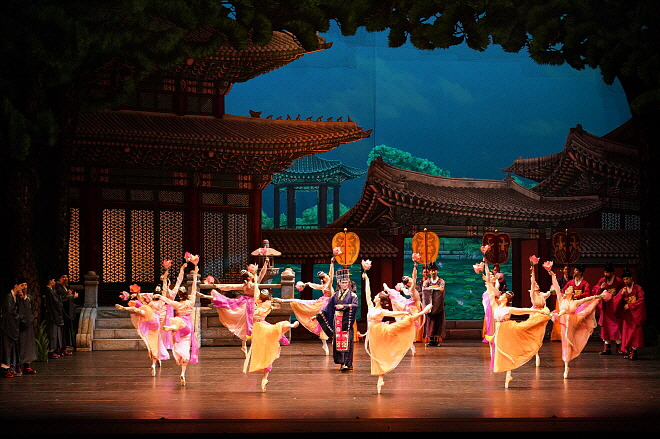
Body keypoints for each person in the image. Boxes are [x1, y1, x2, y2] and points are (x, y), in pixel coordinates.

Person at [362, 268, 431, 393]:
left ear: (379, 300)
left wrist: (405, 312)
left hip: (381, 332)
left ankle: (423, 312)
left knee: (406, 321)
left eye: (376, 296)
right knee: (377, 355)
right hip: (373, 335)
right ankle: (380, 378)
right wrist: (367, 279)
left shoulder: (382, 311)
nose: (374, 296)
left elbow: (395, 313)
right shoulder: (371, 307)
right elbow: (367, 293)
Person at [481, 263, 550, 388]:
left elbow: (523, 310)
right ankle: (508, 373)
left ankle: (509, 373)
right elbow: (490, 292)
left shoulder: (508, 309)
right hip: (498, 331)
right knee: (500, 351)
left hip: (508, 330)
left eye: (503, 295)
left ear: (506, 300)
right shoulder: (495, 306)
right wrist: (487, 280)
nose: (500, 296)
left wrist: (538, 311)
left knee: (508, 350)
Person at [243, 264, 299, 392]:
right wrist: (256, 274)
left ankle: (265, 378)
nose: (263, 291)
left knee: (278, 327)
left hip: (262, 327)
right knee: (263, 351)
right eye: (263, 291)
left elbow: (257, 313)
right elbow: (257, 287)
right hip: (258, 329)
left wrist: (254, 312)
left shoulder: (267, 304)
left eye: (266, 291)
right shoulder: (258, 302)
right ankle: (264, 377)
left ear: (268, 296)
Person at [197, 260, 269, 356]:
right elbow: (261, 274)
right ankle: (251, 345)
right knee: (252, 324)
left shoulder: (245, 285)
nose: (252, 274)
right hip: (252, 305)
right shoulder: (254, 284)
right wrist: (265, 264)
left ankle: (245, 345)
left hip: (246, 304)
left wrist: (217, 285)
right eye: (250, 274)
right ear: (249, 277)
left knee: (245, 324)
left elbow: (230, 286)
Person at [273, 258, 335, 355]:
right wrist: (331, 264)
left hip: (328, 304)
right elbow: (330, 275)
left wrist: (306, 284)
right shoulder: (327, 285)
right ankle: (325, 344)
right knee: (321, 322)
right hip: (325, 304)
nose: (328, 275)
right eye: (327, 275)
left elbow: (313, 285)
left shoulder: (324, 286)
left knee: (326, 322)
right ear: (325, 278)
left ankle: (328, 342)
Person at [155, 260, 200, 385]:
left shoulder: (177, 304)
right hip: (188, 326)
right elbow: (194, 287)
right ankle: (183, 372)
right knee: (185, 347)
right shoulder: (191, 301)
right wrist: (195, 272)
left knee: (177, 341)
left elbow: (167, 299)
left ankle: (172, 328)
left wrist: (159, 296)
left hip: (178, 324)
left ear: (179, 295)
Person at [553, 285, 605, 379]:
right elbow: (557, 288)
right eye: (567, 288)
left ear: (573, 293)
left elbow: (586, 299)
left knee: (586, 310)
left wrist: (596, 297)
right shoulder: (561, 300)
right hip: (564, 322)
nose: (567, 289)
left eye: (570, 289)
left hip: (574, 321)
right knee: (566, 342)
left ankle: (596, 301)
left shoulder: (575, 302)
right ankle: (566, 365)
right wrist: (552, 276)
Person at [315, 267, 359, 371]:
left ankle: (348, 363)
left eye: (346, 282)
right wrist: (320, 314)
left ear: (348, 283)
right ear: (339, 283)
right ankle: (341, 363)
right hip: (337, 320)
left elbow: (355, 305)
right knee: (338, 341)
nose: (344, 284)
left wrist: (344, 306)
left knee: (347, 341)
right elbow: (328, 308)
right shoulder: (335, 295)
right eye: (342, 282)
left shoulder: (353, 295)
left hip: (346, 320)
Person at [115, 285, 164, 376]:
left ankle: (154, 360)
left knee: (151, 344)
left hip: (148, 321)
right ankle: (154, 362)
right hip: (153, 321)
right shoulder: (157, 303)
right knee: (154, 344)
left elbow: (137, 308)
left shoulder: (149, 305)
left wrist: (135, 296)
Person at [612, 268, 646, 360]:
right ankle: (630, 351)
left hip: (635, 315)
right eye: (624, 279)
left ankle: (634, 352)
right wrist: (621, 295)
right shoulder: (624, 290)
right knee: (627, 333)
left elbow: (641, 300)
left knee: (635, 333)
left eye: (627, 279)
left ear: (631, 278)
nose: (626, 281)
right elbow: (616, 301)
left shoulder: (638, 288)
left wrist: (630, 306)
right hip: (627, 316)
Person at [592, 262, 625, 355]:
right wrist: (600, 288)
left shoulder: (618, 281)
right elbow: (595, 290)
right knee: (605, 328)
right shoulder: (602, 280)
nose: (606, 274)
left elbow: (623, 291)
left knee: (617, 327)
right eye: (605, 272)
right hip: (605, 308)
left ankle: (619, 348)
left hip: (615, 308)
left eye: (608, 272)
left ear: (613, 273)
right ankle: (607, 348)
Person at [420, 262, 446, 346]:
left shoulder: (441, 281)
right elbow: (424, 290)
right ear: (430, 272)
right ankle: (430, 340)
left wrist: (431, 288)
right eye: (432, 270)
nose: (433, 272)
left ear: (437, 271)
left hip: (438, 306)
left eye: (435, 270)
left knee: (438, 323)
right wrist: (434, 288)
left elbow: (441, 289)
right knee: (429, 323)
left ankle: (436, 340)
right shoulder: (427, 281)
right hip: (429, 306)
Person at [1, 278, 23, 377]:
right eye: (20, 286)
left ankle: (11, 367)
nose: (21, 288)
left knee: (12, 347)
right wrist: (19, 316)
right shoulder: (8, 297)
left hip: (12, 326)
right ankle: (5, 369)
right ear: (15, 286)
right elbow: (9, 313)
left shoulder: (15, 297)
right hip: (7, 326)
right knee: (7, 347)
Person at [16, 282, 38, 375]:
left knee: (29, 345)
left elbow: (31, 310)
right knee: (21, 345)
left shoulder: (29, 297)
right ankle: (18, 366)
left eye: (25, 285)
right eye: (22, 285)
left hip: (28, 324)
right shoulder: (16, 298)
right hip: (20, 325)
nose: (24, 287)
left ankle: (27, 367)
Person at [43, 275, 65, 359]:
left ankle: (55, 349)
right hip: (52, 315)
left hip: (54, 314)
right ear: (50, 281)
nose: (54, 282)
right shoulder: (49, 291)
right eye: (53, 280)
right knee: (52, 333)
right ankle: (51, 351)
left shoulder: (52, 291)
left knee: (55, 333)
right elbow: (56, 303)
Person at [54, 274, 77, 354]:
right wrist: (72, 297)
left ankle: (65, 347)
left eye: (66, 277)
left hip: (68, 312)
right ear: (59, 279)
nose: (65, 279)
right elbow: (62, 300)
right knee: (63, 330)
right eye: (63, 277)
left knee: (67, 330)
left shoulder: (66, 287)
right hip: (63, 312)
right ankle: (61, 348)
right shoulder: (59, 288)